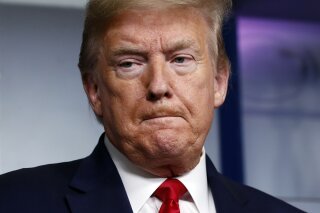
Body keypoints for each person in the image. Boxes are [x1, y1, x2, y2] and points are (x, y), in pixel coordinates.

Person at [0, 0, 304, 212]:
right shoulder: (12, 201)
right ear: (94, 89)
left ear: (219, 82)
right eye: (130, 63)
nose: (158, 86)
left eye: (181, 60)